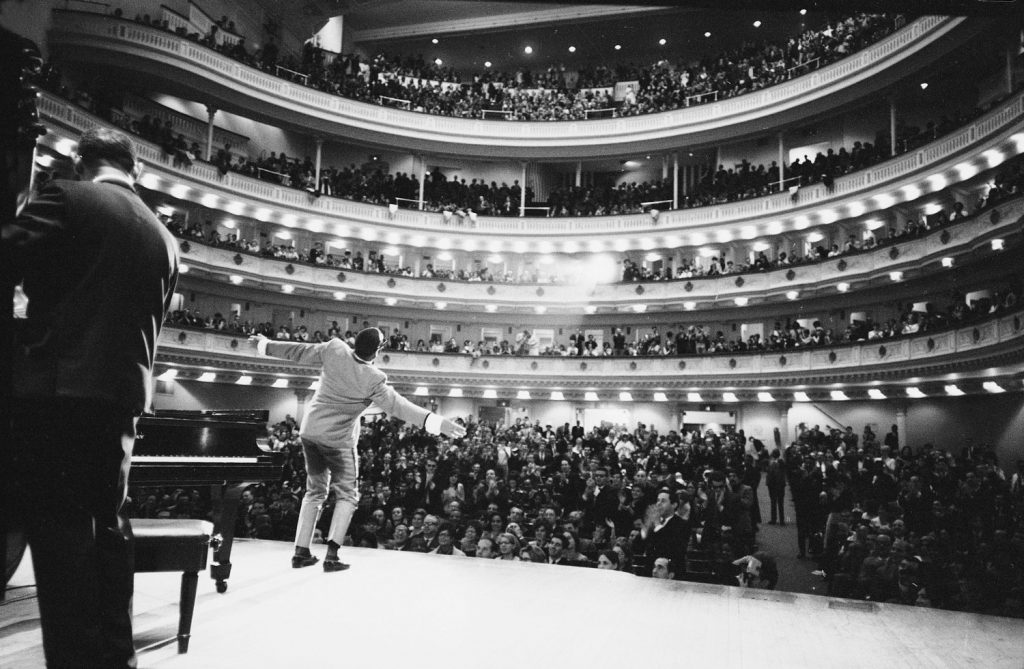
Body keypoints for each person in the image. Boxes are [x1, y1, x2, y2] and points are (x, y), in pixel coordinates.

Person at [2, 127, 179, 668]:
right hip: (120, 406)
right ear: (135, 172)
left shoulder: (68, 196)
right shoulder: (164, 238)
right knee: (105, 537)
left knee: (60, 548)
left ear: (82, 162)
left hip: (54, 394)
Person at [251, 327, 466, 572]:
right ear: (378, 350)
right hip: (337, 441)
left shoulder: (335, 349)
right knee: (347, 495)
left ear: (355, 343)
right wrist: (439, 423)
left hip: (310, 433)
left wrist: (264, 345)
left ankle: (301, 552)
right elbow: (401, 407)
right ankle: (331, 556)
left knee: (315, 492)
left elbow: (299, 351)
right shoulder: (373, 379)